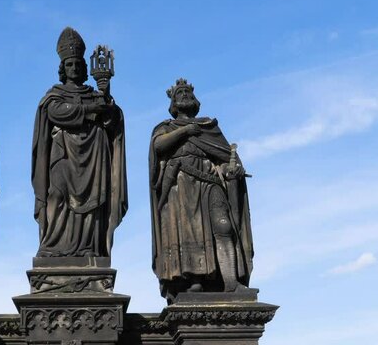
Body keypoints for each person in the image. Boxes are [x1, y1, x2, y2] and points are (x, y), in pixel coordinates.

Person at [149, 78, 253, 303]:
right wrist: (186, 131)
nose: (184, 96)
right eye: (180, 94)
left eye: (187, 93)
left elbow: (224, 158)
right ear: (173, 103)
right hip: (182, 188)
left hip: (210, 183)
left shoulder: (209, 127)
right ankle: (194, 280)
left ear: (195, 100)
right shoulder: (165, 128)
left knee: (224, 227)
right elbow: (158, 146)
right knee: (190, 233)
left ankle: (231, 281)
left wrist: (231, 169)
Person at [31, 27, 127, 258]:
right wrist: (89, 109)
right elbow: (55, 113)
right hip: (63, 153)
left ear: (85, 68)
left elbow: (111, 120)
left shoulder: (94, 95)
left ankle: (88, 248)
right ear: (62, 68)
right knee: (56, 194)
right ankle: (54, 246)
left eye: (77, 64)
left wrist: (105, 96)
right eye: (69, 65)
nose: (73, 68)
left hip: (93, 156)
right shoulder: (54, 95)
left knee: (93, 203)